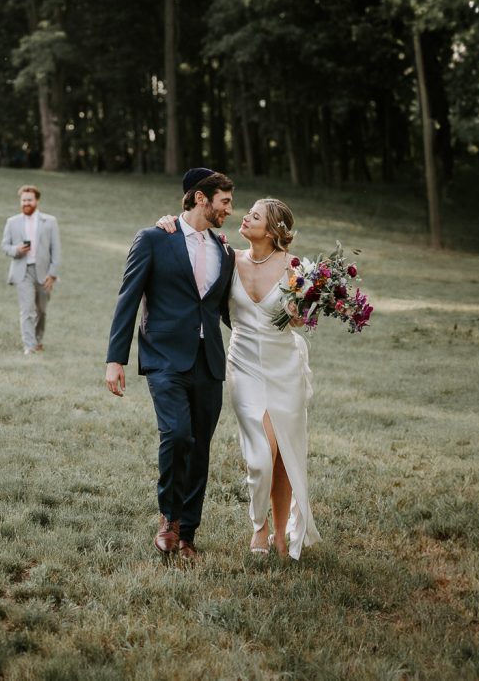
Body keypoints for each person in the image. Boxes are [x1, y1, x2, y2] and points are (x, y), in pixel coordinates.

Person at [156, 197, 320, 560]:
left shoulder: (296, 267)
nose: (245, 217)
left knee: (283, 455)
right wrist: (168, 221)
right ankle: (257, 525)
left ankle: (278, 535)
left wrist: (298, 313)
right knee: (261, 456)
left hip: (284, 367)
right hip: (243, 365)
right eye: (247, 213)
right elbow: (188, 238)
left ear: (274, 230)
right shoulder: (228, 258)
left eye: (255, 215)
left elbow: (302, 320)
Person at [105, 168, 235, 560]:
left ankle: (189, 533)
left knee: (201, 449)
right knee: (177, 435)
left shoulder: (225, 251)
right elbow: (128, 297)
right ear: (201, 199)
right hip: (164, 357)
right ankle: (169, 519)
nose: (229, 209)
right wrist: (115, 358)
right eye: (224, 201)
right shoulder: (153, 239)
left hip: (209, 360)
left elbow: (228, 309)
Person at [1, 185, 61, 355]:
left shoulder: (49, 221)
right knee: (27, 310)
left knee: (41, 310)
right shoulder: (12, 222)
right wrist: (16, 250)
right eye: (23, 200)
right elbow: (4, 246)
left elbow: (56, 250)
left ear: (37, 201)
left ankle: (38, 339)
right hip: (22, 271)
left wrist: (53, 274)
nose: (26, 203)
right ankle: (29, 345)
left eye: (29, 200)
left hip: (43, 272)